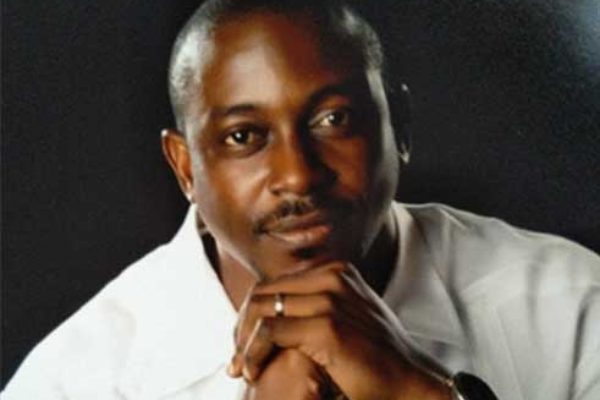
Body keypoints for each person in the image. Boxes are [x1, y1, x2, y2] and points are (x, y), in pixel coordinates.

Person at [3, 1, 599, 399]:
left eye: (333, 120)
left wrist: (418, 394)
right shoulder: (73, 382)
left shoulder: (573, 306)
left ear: (399, 125)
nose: (297, 176)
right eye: (244, 137)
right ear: (185, 167)